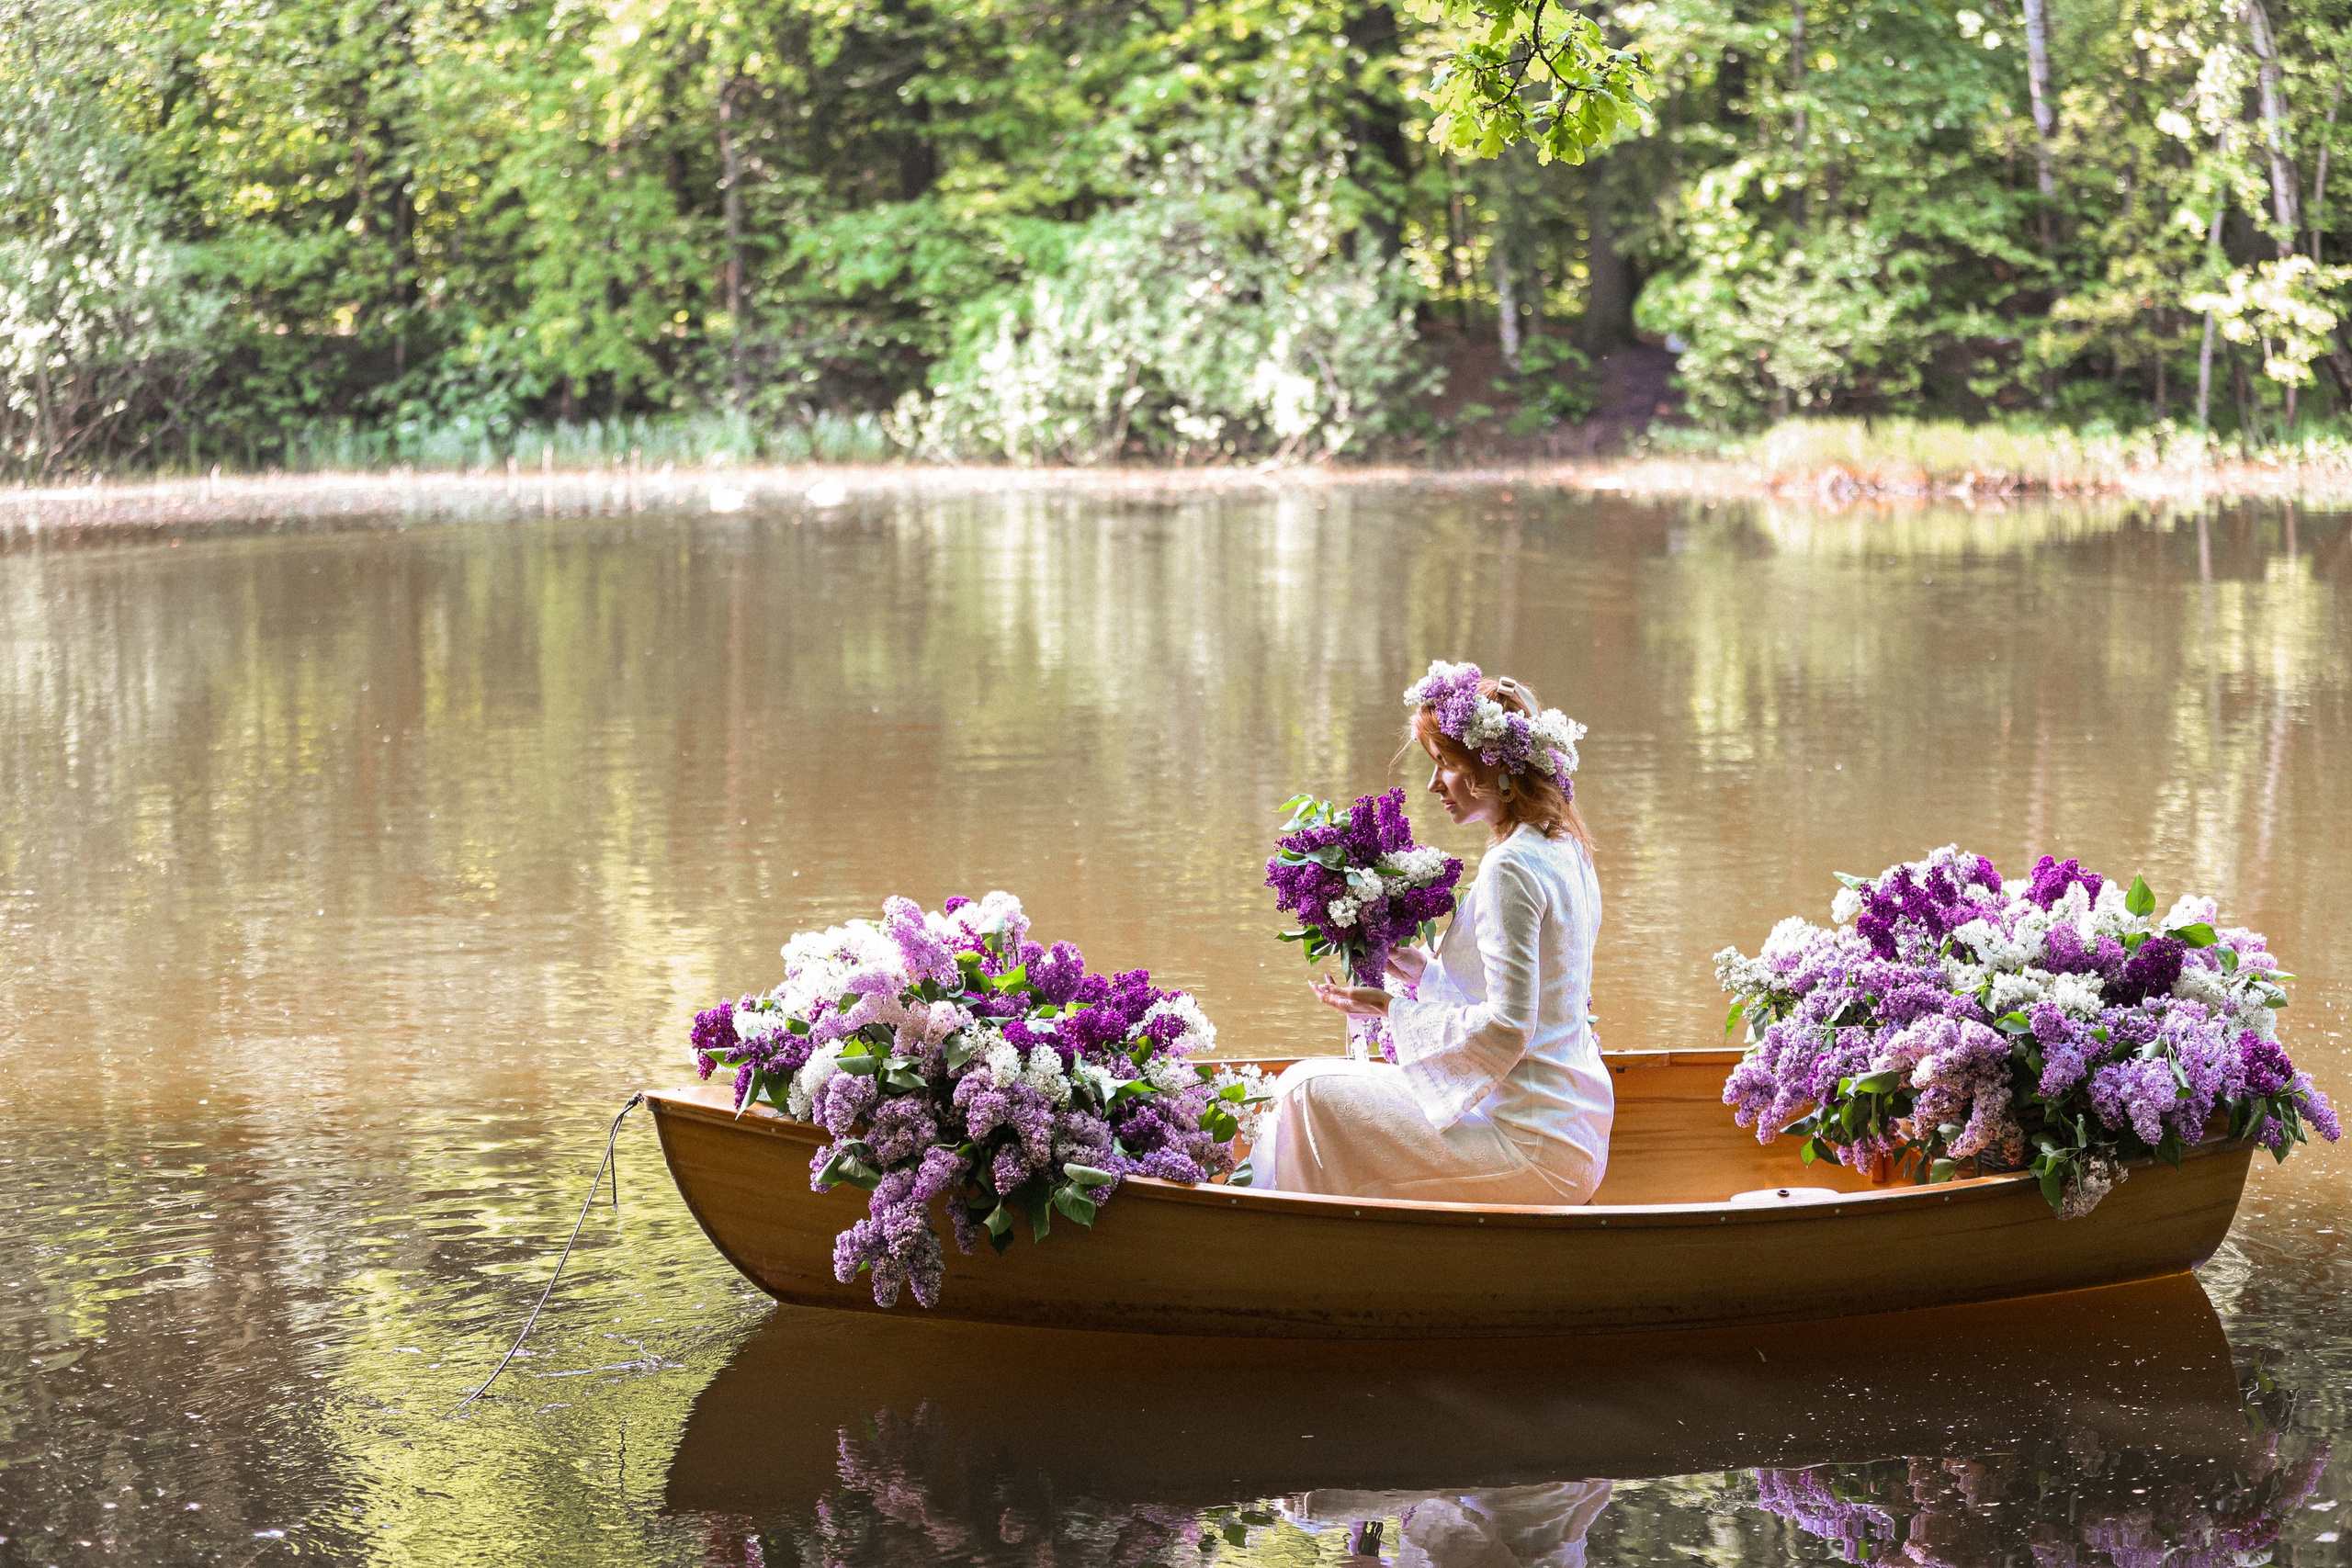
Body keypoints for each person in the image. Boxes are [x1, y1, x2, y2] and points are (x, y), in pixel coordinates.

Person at [1250, 660, 1611, 1204]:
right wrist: (1426, 974)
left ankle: (1313, 1252)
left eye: (1445, 763)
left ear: (1498, 768)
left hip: (1531, 1144)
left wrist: (1388, 1008)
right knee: (1312, 1089)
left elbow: (1510, 1027)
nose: (1432, 782)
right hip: (1573, 1132)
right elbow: (1542, 998)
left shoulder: (1511, 867)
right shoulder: (1562, 847)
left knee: (1305, 1092)